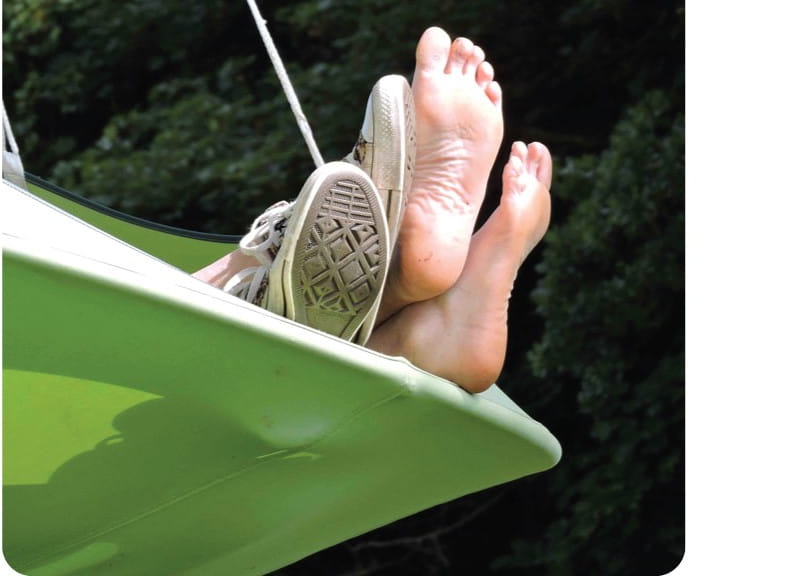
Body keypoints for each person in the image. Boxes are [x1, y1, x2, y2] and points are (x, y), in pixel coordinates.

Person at [194, 27, 552, 395]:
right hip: (214, 367)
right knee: (171, 315)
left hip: (225, 392)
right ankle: (427, 325)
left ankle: (417, 319)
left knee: (177, 335)